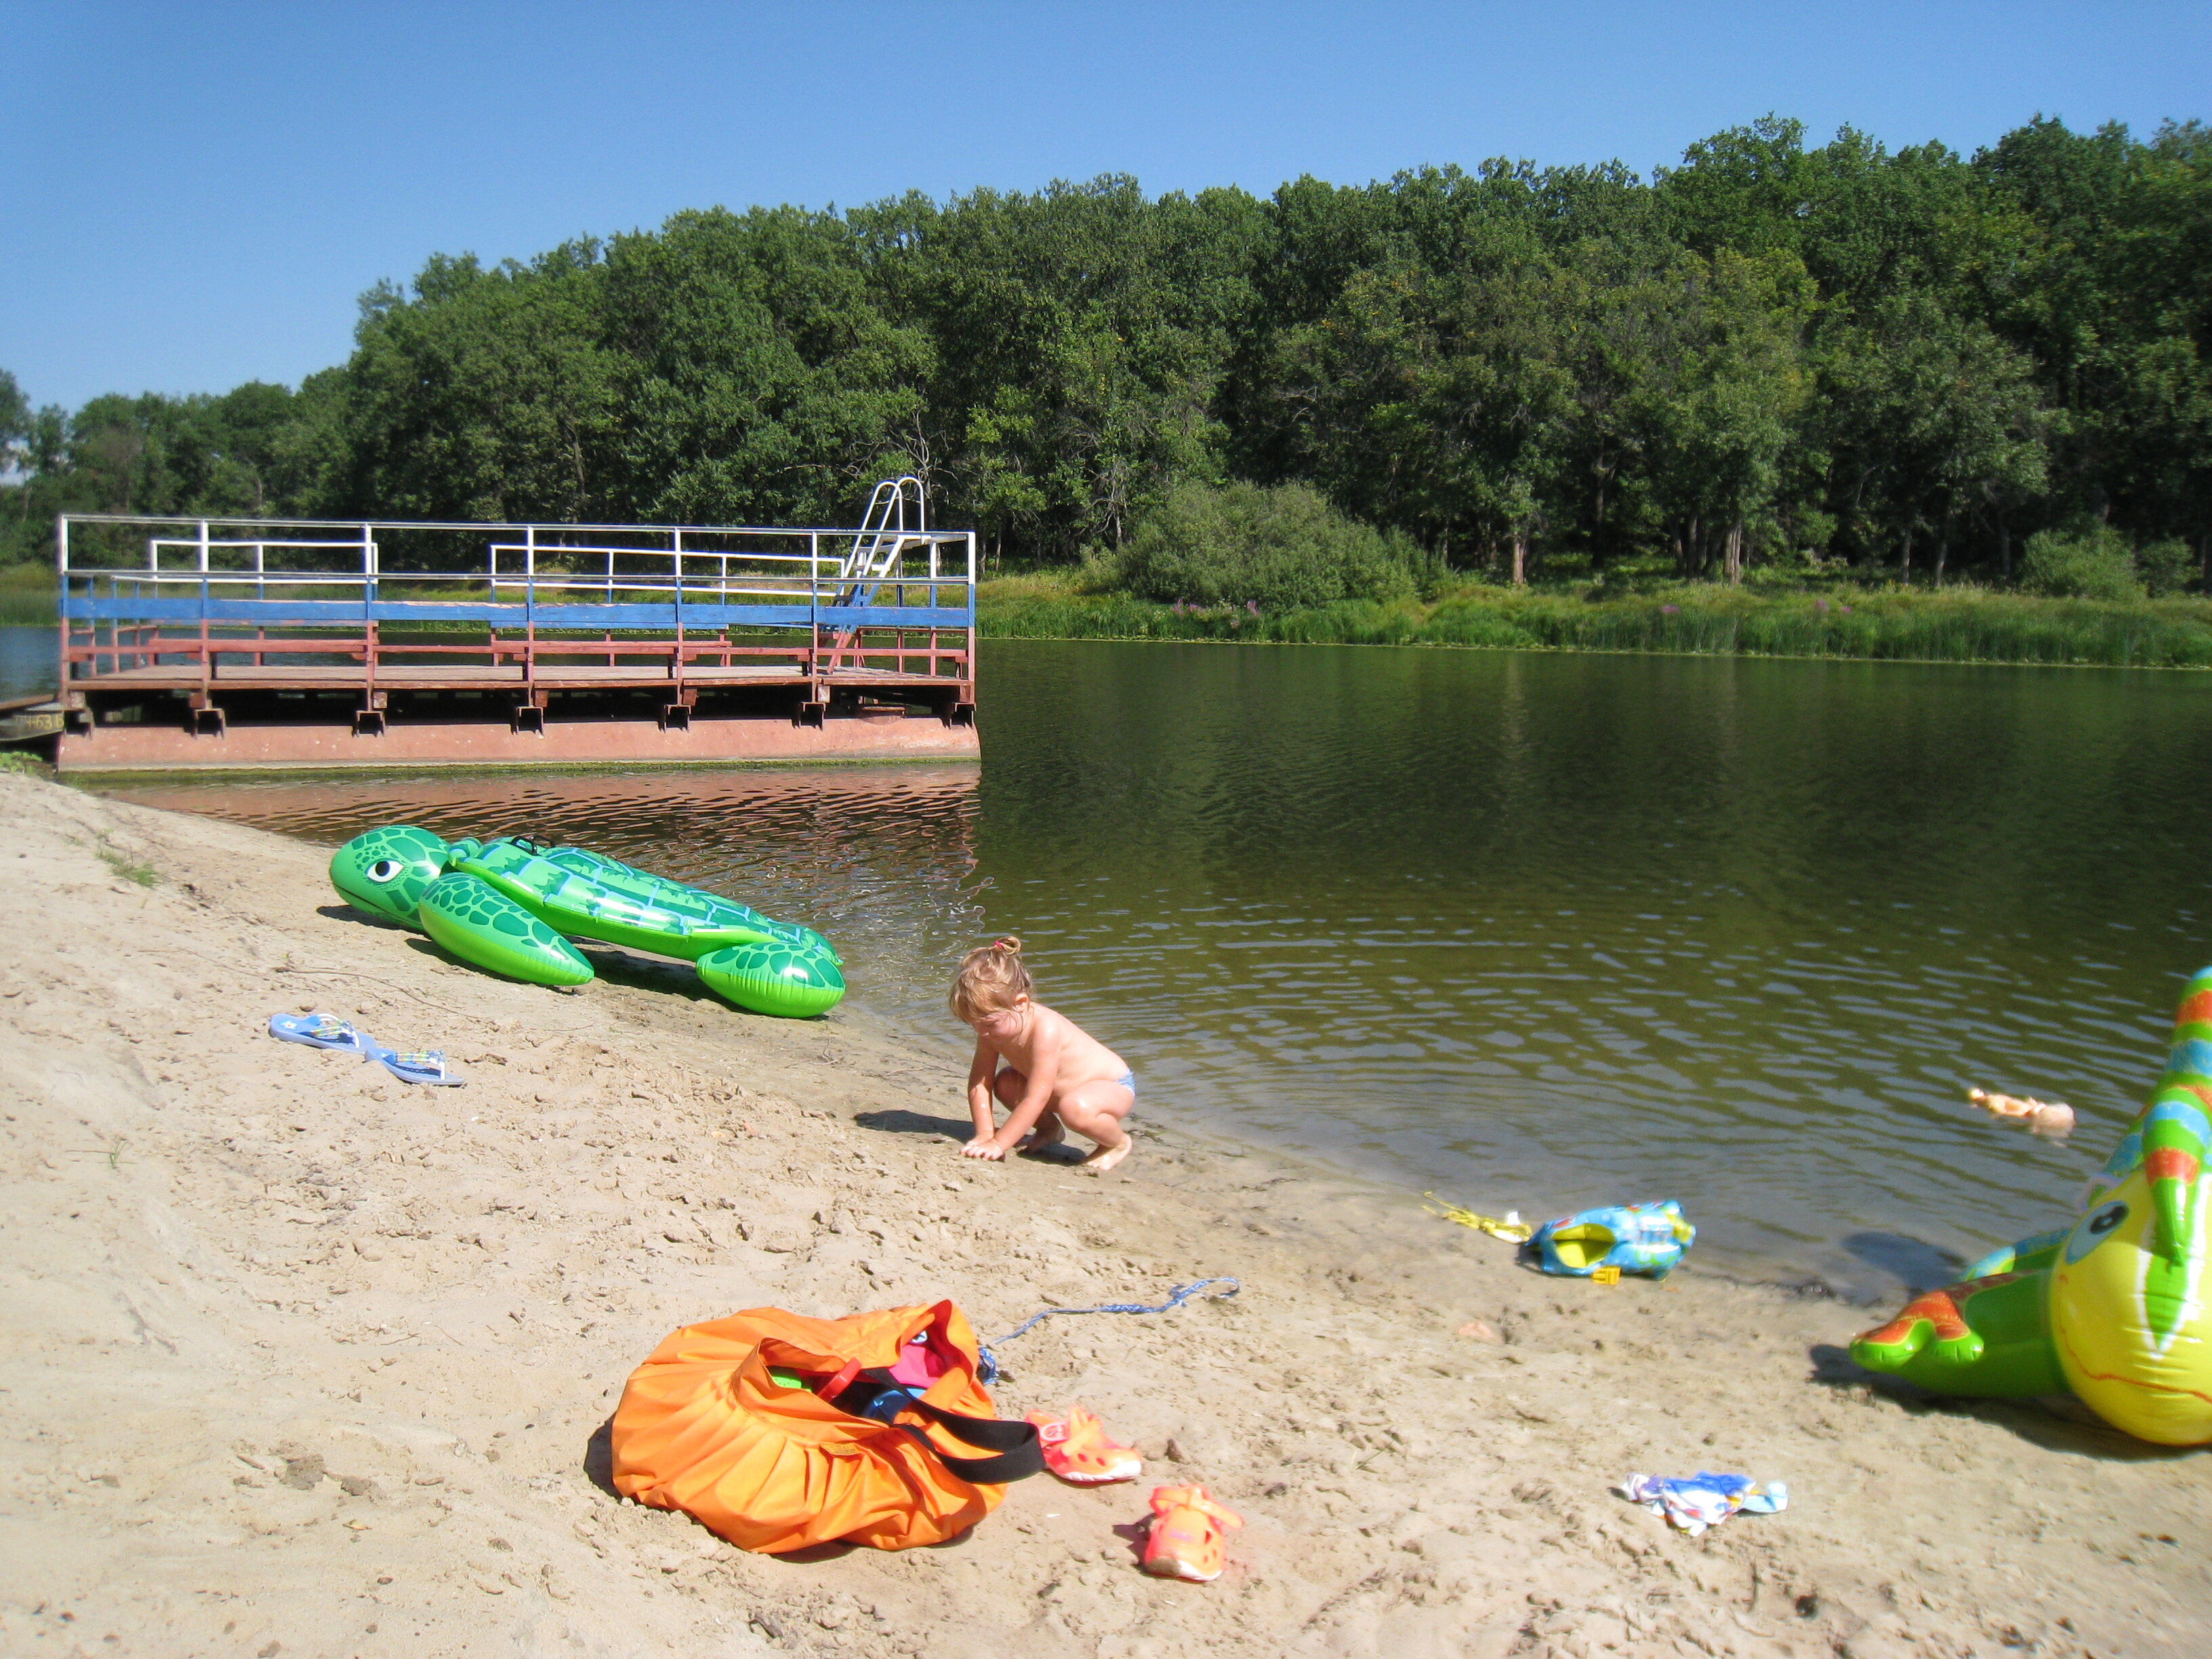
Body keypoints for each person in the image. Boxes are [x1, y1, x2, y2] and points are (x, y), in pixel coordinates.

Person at [949, 937, 1133, 1172]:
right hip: (1059, 1094)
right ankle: (1050, 1130)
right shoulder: (989, 1031)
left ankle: (1117, 1143)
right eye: (973, 1024)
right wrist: (985, 1134)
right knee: (1006, 1083)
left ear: (1021, 1003)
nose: (982, 1032)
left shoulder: (1045, 1029)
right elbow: (980, 1083)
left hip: (1111, 1087)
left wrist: (999, 1144)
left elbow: (1036, 1097)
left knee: (1074, 1108)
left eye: (989, 1023)